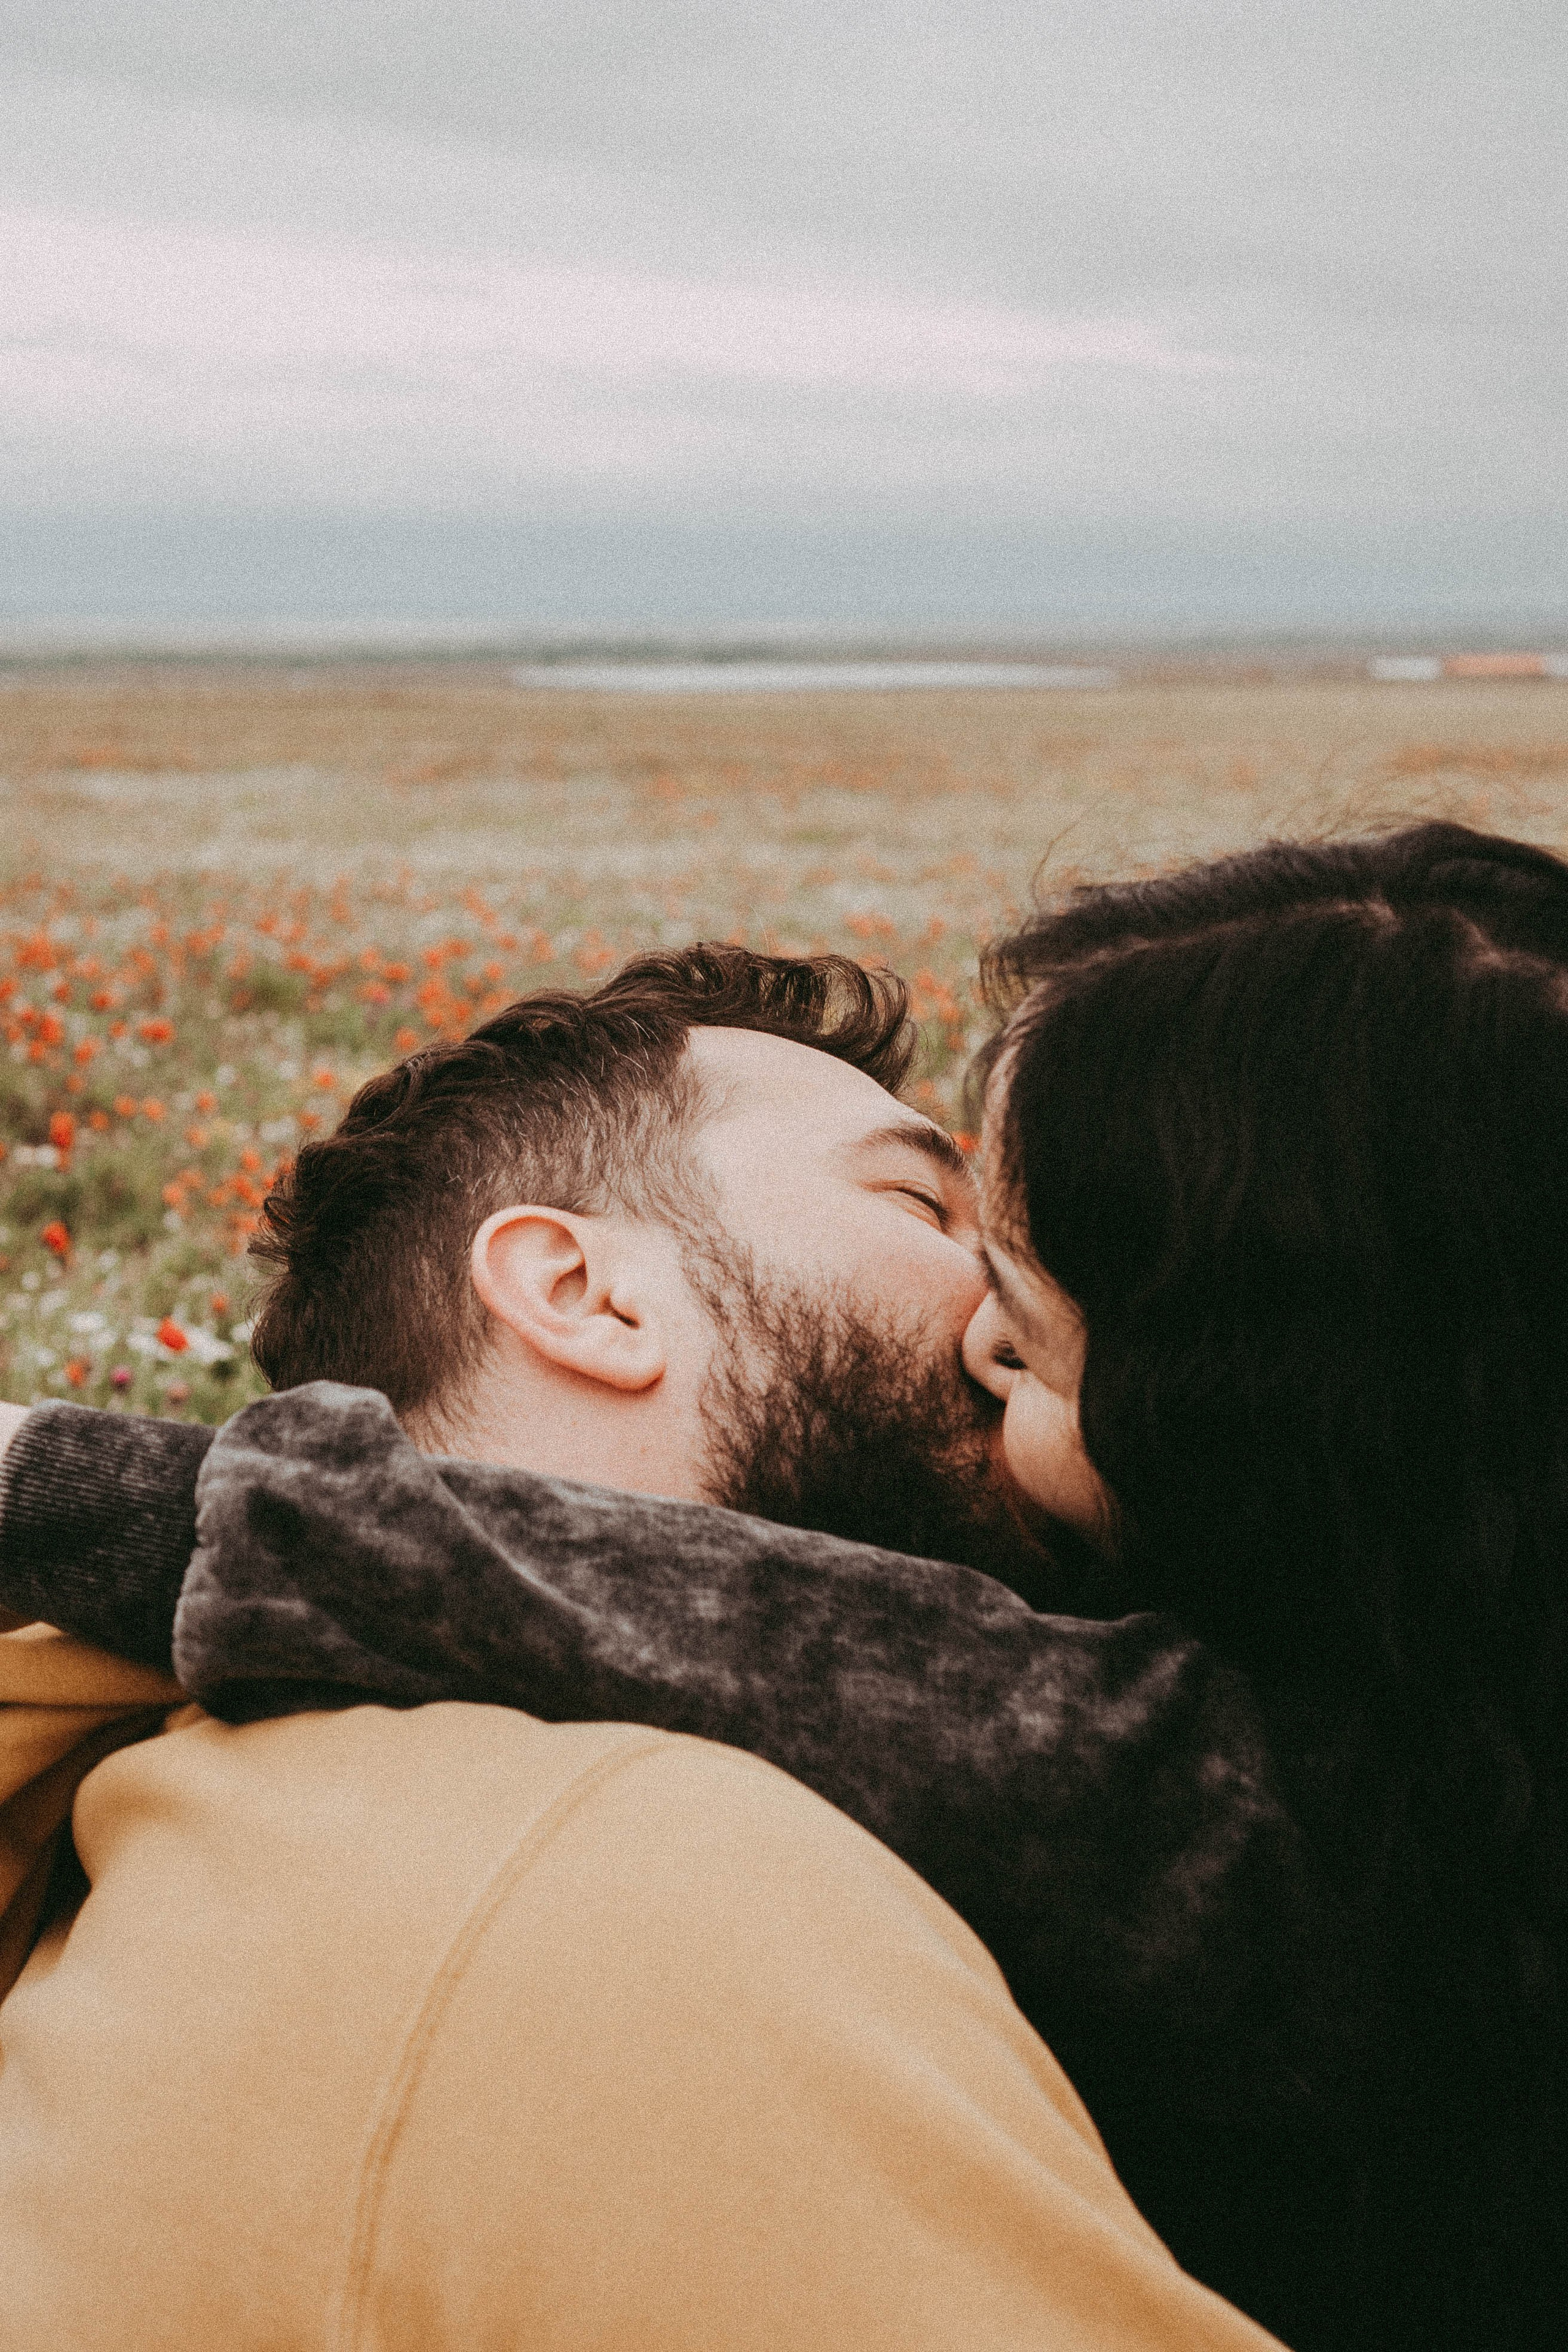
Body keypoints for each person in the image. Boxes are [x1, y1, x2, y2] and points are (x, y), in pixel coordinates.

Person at [0, 952, 1291, 2352]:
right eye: (922, 1205)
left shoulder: (220, 1799)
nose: (1014, 1311)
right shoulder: (624, 1872)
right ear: (583, 1291)